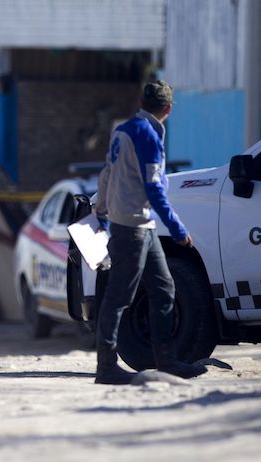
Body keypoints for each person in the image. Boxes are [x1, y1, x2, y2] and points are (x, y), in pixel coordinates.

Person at [93, 80, 207, 384]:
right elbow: (154, 187)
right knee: (118, 296)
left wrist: (101, 208)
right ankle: (106, 366)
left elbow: (107, 173)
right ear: (168, 109)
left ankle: (166, 360)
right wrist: (179, 229)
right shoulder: (148, 135)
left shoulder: (122, 130)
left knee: (163, 288)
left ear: (141, 102)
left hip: (138, 224)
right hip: (133, 225)